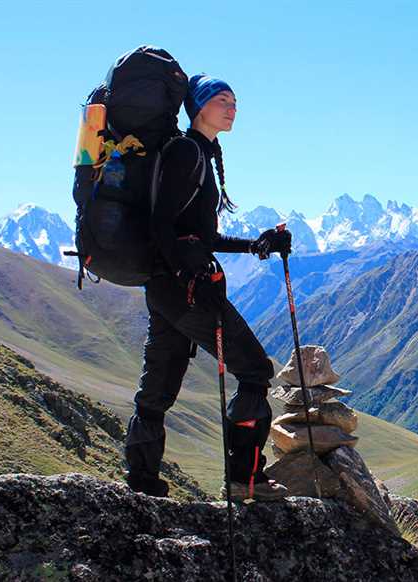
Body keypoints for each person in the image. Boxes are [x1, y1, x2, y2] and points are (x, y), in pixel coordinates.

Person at [124, 74, 292, 500]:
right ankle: (244, 477)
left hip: (165, 289)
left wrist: (256, 245)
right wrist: (186, 269)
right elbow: (161, 223)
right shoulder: (186, 152)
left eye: (235, 101)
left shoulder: (197, 153)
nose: (232, 108)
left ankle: (141, 482)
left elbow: (195, 235)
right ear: (199, 107)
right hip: (186, 289)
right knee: (255, 370)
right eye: (222, 100)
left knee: (158, 386)